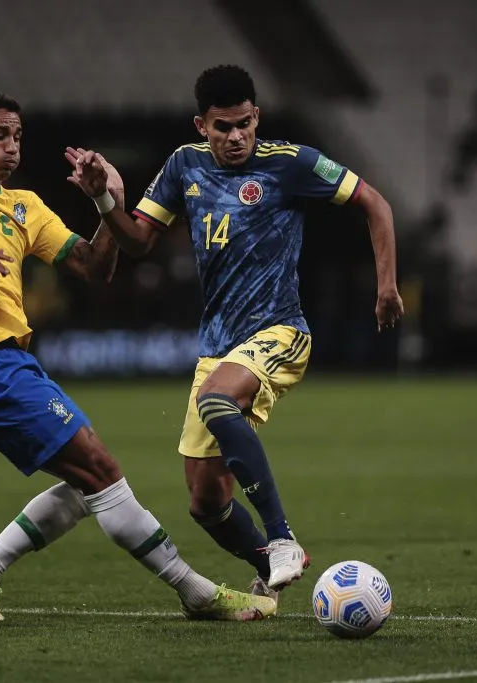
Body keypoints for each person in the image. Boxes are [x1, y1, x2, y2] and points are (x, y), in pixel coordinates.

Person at [0, 91, 276, 622]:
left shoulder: (26, 206)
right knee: (102, 470)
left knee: (89, 484)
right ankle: (197, 593)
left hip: (8, 364)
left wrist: (108, 200)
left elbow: (93, 267)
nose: (12, 147)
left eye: (17, 137)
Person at [66, 65, 403, 599]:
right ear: (202, 125)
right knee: (205, 502)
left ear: (257, 117)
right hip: (218, 345)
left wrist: (386, 285)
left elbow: (375, 204)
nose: (236, 137)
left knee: (216, 400)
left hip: (280, 330)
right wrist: (105, 200)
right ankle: (270, 573)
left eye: (244, 123)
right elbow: (135, 244)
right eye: (223, 127)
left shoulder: (290, 163)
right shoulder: (183, 165)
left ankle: (282, 536)